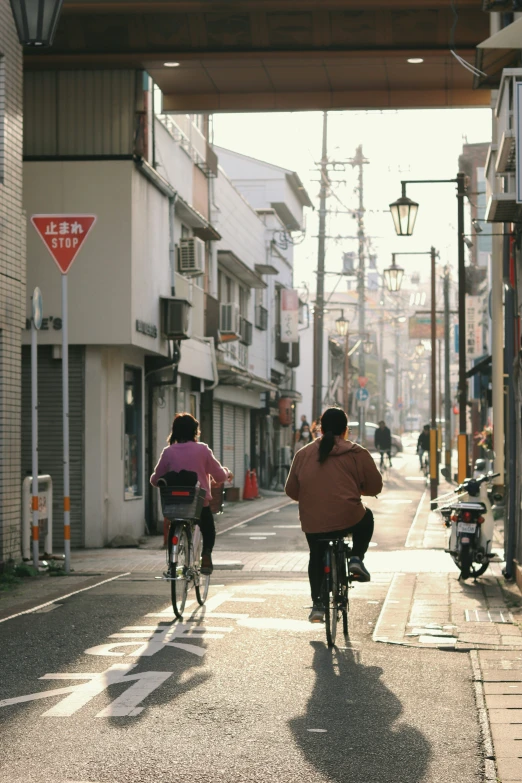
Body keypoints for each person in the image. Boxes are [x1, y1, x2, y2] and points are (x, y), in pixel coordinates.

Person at [285, 406, 383, 623]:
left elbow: (291, 490)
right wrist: (358, 490)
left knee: (316, 555)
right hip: (349, 516)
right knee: (367, 518)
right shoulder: (357, 453)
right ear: (346, 430)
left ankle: (318, 605)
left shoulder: (303, 454)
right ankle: (356, 557)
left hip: (313, 521)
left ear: (320, 428)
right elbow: (375, 487)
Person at [150, 413, 233, 575]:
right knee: (208, 529)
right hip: (198, 503)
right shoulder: (202, 450)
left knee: (175, 524)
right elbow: (219, 476)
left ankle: (173, 563)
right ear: (195, 431)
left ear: (174, 431)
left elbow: (155, 479)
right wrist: (226, 472)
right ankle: (206, 555)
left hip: (174, 503)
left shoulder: (168, 452)